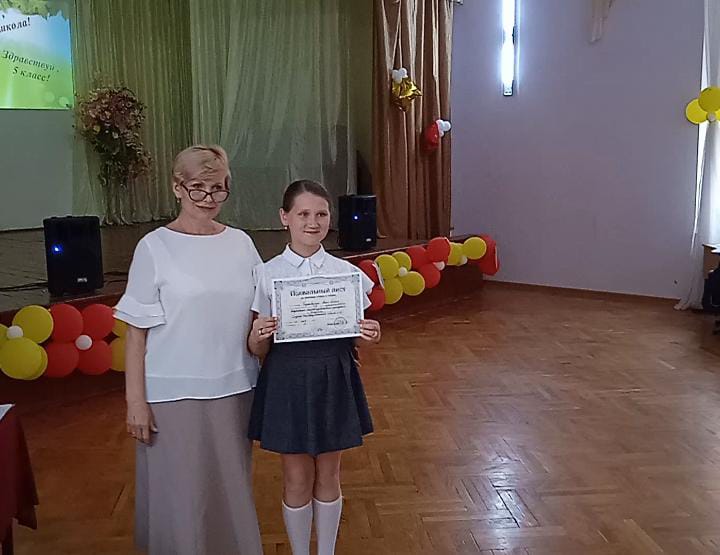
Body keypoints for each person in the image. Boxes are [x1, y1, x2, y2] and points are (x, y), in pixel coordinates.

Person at [115, 145, 263, 555]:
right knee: (180, 495)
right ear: (177, 188)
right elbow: (136, 335)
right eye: (198, 187)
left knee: (230, 487)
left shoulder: (241, 243)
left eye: (218, 188)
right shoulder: (154, 247)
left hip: (236, 387)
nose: (209, 198)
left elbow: (259, 314)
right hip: (172, 394)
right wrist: (135, 403)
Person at [247, 179, 381, 555]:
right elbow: (257, 348)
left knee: (330, 473)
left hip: (333, 376)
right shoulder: (267, 273)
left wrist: (369, 334)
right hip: (287, 379)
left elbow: (355, 337)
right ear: (284, 217)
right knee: (296, 476)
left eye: (321, 214)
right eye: (303, 213)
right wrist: (257, 335)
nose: (313, 221)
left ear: (330, 218)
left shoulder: (346, 273)